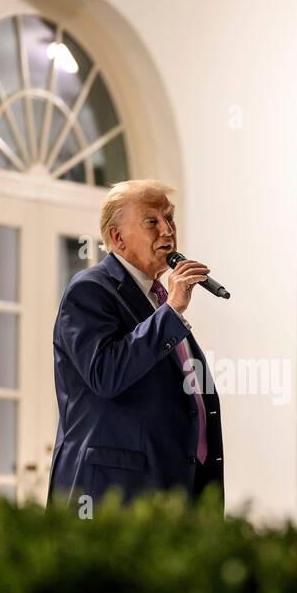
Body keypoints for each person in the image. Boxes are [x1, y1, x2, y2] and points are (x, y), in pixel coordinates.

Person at [47, 179, 224, 514]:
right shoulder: (90, 290)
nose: (167, 231)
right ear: (117, 237)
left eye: (169, 219)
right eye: (151, 222)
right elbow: (106, 374)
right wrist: (172, 311)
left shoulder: (157, 300)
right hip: (112, 494)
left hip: (174, 491)